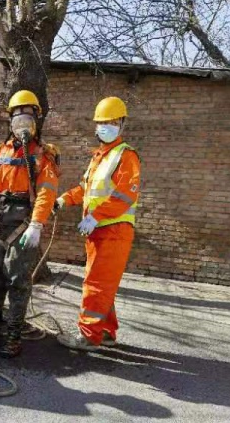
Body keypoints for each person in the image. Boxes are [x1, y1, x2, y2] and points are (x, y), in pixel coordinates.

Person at [0, 90, 60, 358]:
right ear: (10, 119)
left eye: (28, 114)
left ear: (36, 120)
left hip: (23, 222)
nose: (22, 119)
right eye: (18, 114)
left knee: (18, 280)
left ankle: (14, 335)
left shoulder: (44, 155)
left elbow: (46, 192)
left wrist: (37, 225)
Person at [55, 96, 140, 351]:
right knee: (105, 285)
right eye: (102, 122)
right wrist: (62, 200)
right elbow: (85, 189)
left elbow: (125, 195)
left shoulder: (126, 156)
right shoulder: (99, 158)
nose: (106, 126)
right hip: (98, 232)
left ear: (122, 124)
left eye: (112, 122)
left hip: (113, 231)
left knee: (96, 284)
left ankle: (88, 336)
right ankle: (105, 331)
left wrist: (96, 216)